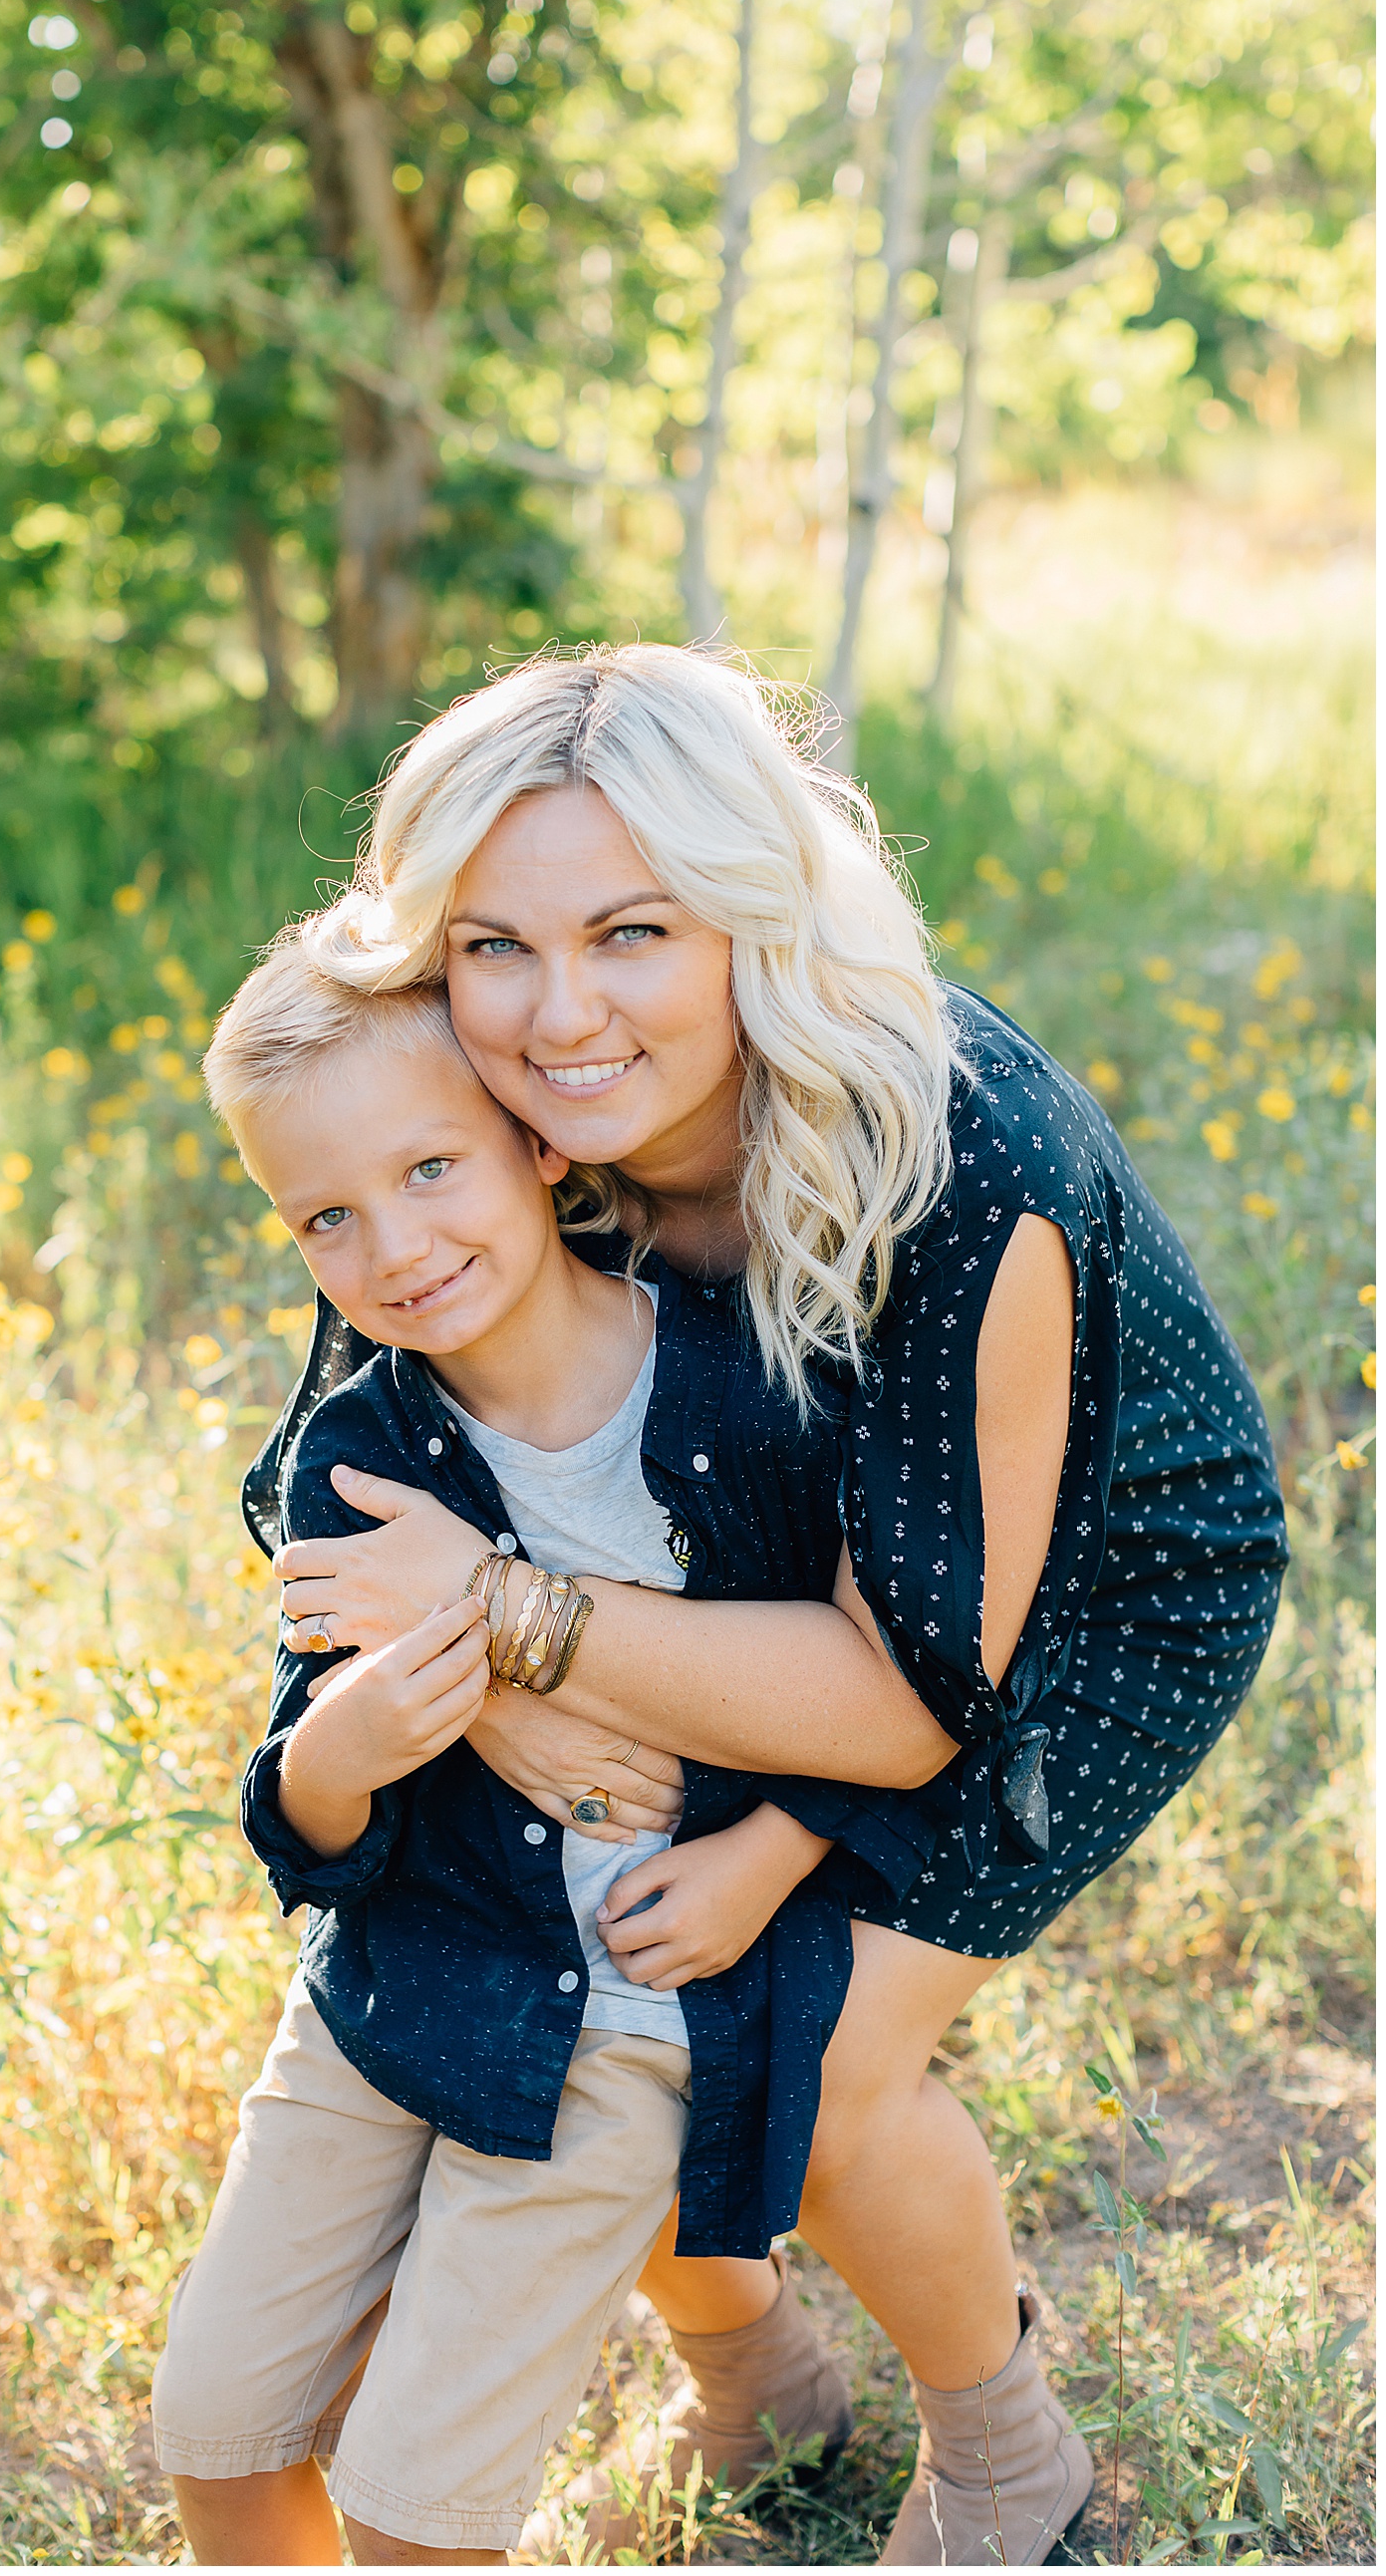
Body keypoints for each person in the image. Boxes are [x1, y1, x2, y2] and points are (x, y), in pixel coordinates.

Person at [266, 643, 1289, 2566]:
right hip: (720, 1590)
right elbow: (340, 1477)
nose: (560, 1015)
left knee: (804, 2051)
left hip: (1075, 1596)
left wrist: (527, 1632)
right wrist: (499, 1690)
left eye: (633, 932)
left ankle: (1007, 2459)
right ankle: (757, 2382)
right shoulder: (471, 1121)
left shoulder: (959, 1155)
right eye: (492, 944)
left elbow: (914, 1689)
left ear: (753, 907)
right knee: (606, 1982)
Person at [149, 943, 937, 2566]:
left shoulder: (754, 1385)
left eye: (430, 1166)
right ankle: (748, 2366)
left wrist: (770, 1849)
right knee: (219, 2437)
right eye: (327, 1216)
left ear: (535, 1138)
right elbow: (302, 1815)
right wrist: (348, 1746)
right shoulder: (356, 1458)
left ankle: (751, 2367)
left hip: (643, 2007)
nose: (396, 1245)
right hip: (400, 1975)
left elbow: (882, 1690)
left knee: (412, 2503)